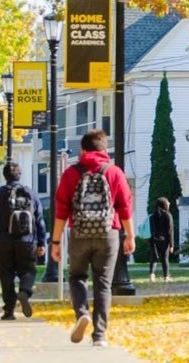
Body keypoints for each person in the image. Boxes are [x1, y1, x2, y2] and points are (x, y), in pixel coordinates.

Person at [51, 130, 135, 347]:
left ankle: (82, 313)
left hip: (79, 233)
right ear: (105, 149)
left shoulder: (71, 174)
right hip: (108, 233)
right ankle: (99, 335)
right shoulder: (114, 172)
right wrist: (130, 236)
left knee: (77, 277)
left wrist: (56, 241)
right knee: (103, 283)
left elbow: (61, 210)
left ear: (82, 150)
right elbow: (125, 207)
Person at [0, 162, 47, 320]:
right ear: (19, 175)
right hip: (27, 240)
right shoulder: (30, 193)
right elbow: (39, 220)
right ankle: (24, 291)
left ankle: (9, 310)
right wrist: (41, 242)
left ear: (4, 176)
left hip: (3, 241)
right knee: (28, 270)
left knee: (6, 274)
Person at [148, 197, 176, 282]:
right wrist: (171, 244)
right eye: (167, 202)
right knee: (165, 259)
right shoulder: (168, 215)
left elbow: (151, 229)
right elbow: (170, 231)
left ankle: (151, 275)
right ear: (164, 205)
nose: (169, 203)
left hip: (153, 240)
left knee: (154, 258)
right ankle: (166, 276)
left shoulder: (152, 216)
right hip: (164, 241)